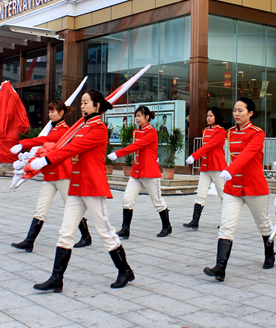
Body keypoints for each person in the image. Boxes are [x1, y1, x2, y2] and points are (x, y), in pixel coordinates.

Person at [30, 90, 135, 292]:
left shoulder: (99, 128)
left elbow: (73, 148)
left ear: (97, 106)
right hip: (77, 184)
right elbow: (64, 146)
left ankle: (125, 270)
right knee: (66, 231)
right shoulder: (82, 127)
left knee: (105, 231)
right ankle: (56, 278)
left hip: (92, 186)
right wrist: (36, 157)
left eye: (86, 102)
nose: (82, 106)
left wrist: (47, 159)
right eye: (81, 103)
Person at [204, 97, 273, 282]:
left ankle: (270, 253)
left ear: (250, 113)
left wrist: (230, 169)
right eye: (235, 110)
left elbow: (247, 154)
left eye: (240, 110)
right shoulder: (229, 132)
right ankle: (220, 267)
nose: (236, 113)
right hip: (233, 186)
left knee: (263, 224)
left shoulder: (257, 133)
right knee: (226, 225)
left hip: (254, 185)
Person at [10, 100, 93, 252]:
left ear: (61, 113)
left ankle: (86, 236)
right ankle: (29, 241)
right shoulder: (52, 129)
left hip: (63, 175)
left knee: (72, 206)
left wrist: (23, 144)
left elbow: (44, 140)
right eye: (49, 111)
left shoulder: (64, 130)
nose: (50, 114)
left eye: (53, 111)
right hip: (50, 174)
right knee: (40, 209)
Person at [108, 106, 172, 239]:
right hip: (136, 171)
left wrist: (118, 154)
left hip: (149, 172)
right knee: (127, 199)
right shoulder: (136, 132)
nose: (137, 118)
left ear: (147, 117)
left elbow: (137, 146)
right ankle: (125, 229)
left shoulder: (152, 132)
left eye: (139, 116)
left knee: (157, 201)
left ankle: (167, 226)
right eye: (136, 116)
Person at [184, 107, 227, 230]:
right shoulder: (205, 130)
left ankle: (226, 222)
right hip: (206, 166)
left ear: (217, 117)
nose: (208, 118)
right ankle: (195, 221)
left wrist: (194, 156)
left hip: (217, 166)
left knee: (223, 195)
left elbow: (209, 146)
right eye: (207, 116)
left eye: (211, 116)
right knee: (200, 194)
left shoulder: (220, 131)